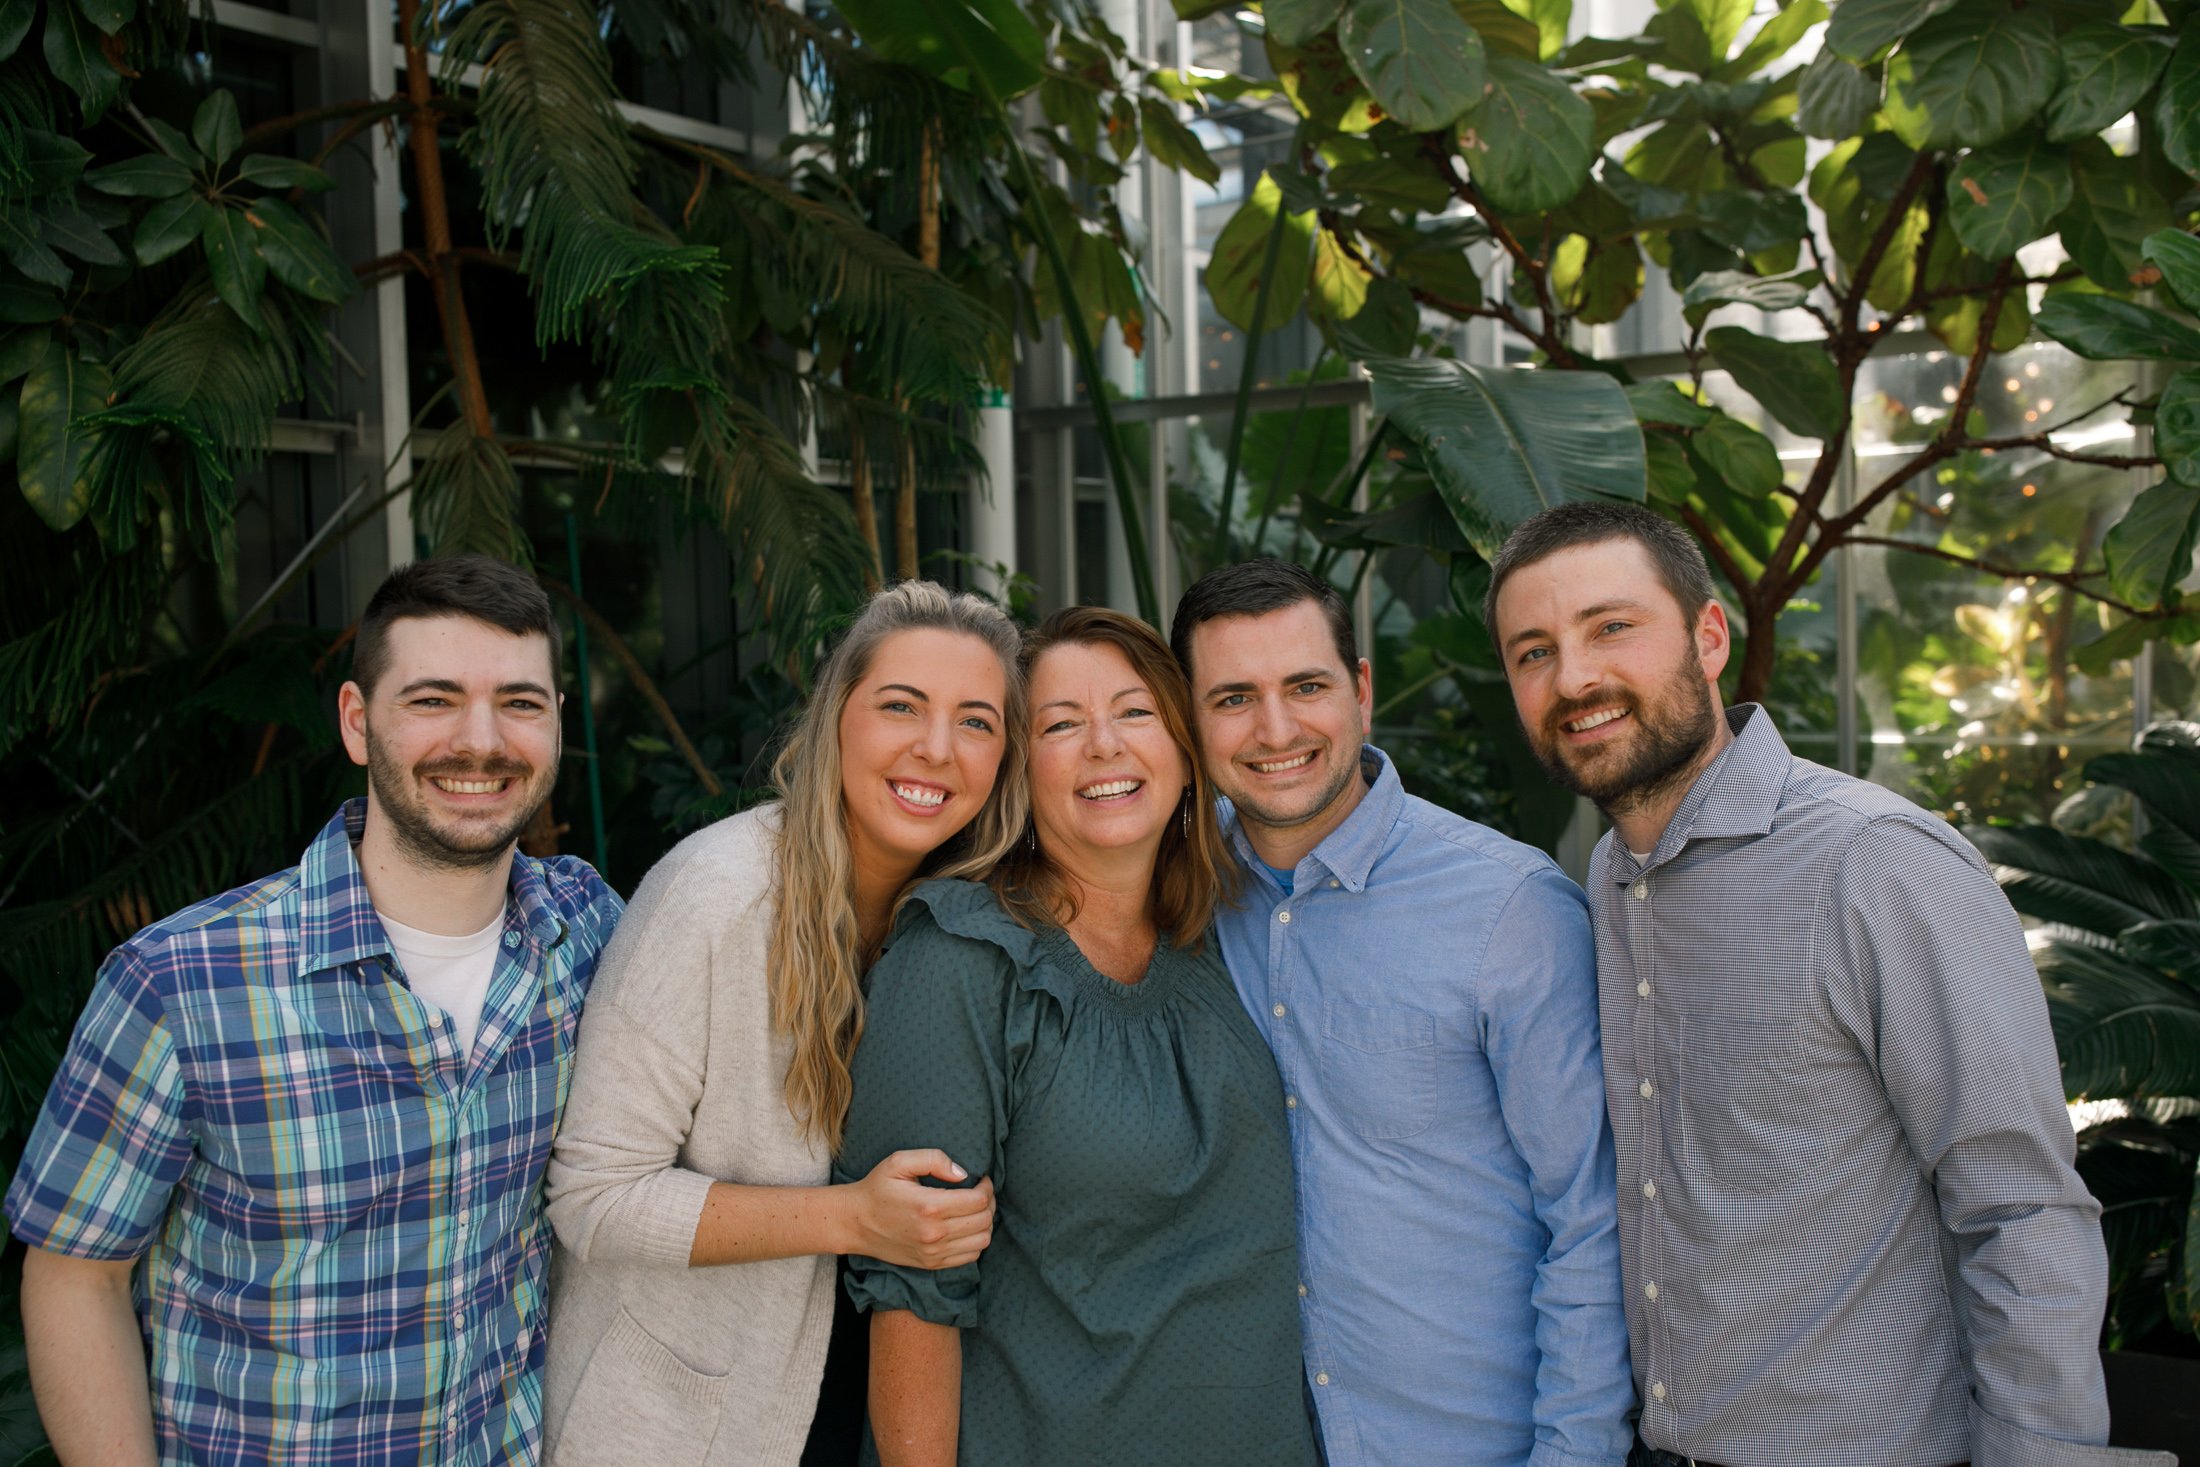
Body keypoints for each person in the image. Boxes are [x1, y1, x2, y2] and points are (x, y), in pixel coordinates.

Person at [1487, 499, 2171, 1467]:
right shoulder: (1609, 879)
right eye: (1532, 652)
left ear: (1708, 635)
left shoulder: (1875, 863)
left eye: (1611, 628)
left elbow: (2020, 1207)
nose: (1575, 677)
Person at [7, 553, 623, 1464]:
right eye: (433, 698)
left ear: (557, 725)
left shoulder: (589, 936)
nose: (481, 740)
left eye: (520, 702)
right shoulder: (182, 980)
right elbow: (74, 1277)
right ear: (355, 720)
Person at [540, 581, 1023, 1467]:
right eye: (901, 706)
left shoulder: (972, 924)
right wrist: (851, 1218)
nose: (936, 749)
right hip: (679, 1426)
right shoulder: (717, 896)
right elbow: (593, 1197)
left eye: (977, 721)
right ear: (839, 714)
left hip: (862, 1403)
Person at [1169, 558, 1634, 1467]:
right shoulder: (1179, 894)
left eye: (1307, 685)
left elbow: (1590, 1221)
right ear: (1191, 720)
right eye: (1233, 698)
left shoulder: (1512, 910)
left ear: (1362, 690)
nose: (1276, 729)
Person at [838, 606, 1319, 1467]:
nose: (1105, 745)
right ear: (1021, 769)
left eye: (1135, 713)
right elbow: (911, 1294)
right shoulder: (961, 956)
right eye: (1062, 724)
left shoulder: (1231, 935)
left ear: (1183, 751)